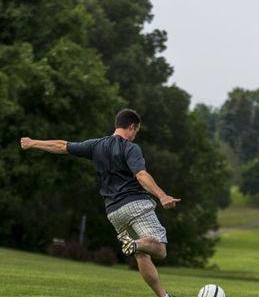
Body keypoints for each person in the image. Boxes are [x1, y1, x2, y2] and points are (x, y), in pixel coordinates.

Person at [20, 109, 180, 297]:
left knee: (141, 254)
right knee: (160, 250)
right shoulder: (131, 148)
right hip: (136, 205)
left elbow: (62, 146)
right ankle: (135, 243)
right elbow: (141, 175)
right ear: (132, 127)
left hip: (113, 212)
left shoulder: (96, 145)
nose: (135, 136)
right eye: (136, 131)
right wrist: (162, 196)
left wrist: (33, 143)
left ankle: (163, 295)